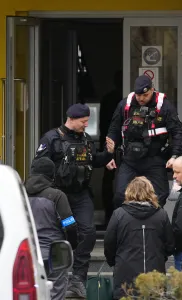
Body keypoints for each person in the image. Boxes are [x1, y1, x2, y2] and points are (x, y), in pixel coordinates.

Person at [33, 103, 115, 298]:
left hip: (80, 194)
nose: (86, 125)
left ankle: (78, 278)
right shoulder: (51, 138)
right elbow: (38, 167)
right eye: (83, 121)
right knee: (58, 233)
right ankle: (54, 277)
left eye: (87, 121)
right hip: (58, 194)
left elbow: (94, 160)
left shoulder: (85, 139)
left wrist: (109, 154)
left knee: (88, 232)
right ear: (71, 119)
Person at [106, 75, 182, 209]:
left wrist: (174, 156)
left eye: (145, 95)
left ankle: (150, 222)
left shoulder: (164, 106)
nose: (141, 98)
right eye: (138, 95)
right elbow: (113, 130)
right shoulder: (125, 105)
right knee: (120, 195)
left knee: (160, 195)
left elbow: (177, 132)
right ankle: (130, 221)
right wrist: (109, 155)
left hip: (155, 158)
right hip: (130, 159)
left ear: (152, 90)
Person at [104, 176, 175, 299]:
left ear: (129, 192)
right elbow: (170, 245)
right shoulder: (161, 214)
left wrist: (114, 261)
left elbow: (109, 244)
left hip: (125, 272)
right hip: (155, 272)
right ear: (150, 192)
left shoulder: (119, 214)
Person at [25, 157, 79, 300]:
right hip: (55, 253)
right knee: (55, 292)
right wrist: (71, 245)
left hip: (28, 252)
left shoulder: (20, 195)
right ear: (52, 175)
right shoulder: (57, 196)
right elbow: (70, 225)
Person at [100, 70, 123, 225]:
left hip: (111, 142)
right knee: (110, 179)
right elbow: (104, 124)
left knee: (110, 179)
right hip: (113, 143)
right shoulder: (113, 100)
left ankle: (111, 215)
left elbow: (103, 126)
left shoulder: (110, 98)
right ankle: (112, 215)